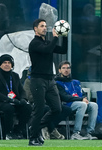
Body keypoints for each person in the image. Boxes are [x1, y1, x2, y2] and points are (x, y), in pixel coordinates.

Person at [28, 18, 68, 146]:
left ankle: (35, 127)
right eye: (42, 26)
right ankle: (33, 138)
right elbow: (47, 50)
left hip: (50, 80)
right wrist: (56, 37)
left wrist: (64, 36)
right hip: (38, 80)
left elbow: (63, 50)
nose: (45, 28)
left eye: (45, 26)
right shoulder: (34, 43)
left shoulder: (48, 42)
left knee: (57, 108)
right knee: (39, 109)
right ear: (35, 29)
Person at [0, 54, 32, 140]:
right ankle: (8, 131)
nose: (7, 64)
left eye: (9, 63)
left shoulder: (15, 76)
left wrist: (23, 99)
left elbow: (21, 90)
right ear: (0, 64)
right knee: (8, 108)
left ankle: (18, 130)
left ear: (12, 65)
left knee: (27, 107)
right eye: (4, 62)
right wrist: (8, 100)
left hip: (14, 101)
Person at [23, 67, 72, 140]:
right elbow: (29, 96)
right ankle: (51, 129)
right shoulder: (29, 81)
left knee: (65, 109)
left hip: (48, 102)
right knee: (45, 108)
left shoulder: (49, 81)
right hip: (35, 103)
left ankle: (46, 126)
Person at [55, 61, 98, 140]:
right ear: (59, 70)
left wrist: (84, 98)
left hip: (80, 102)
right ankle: (76, 133)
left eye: (68, 68)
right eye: (63, 68)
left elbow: (83, 93)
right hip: (67, 104)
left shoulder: (76, 82)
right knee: (82, 105)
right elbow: (65, 97)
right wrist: (81, 99)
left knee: (94, 105)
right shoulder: (57, 83)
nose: (66, 70)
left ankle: (89, 132)